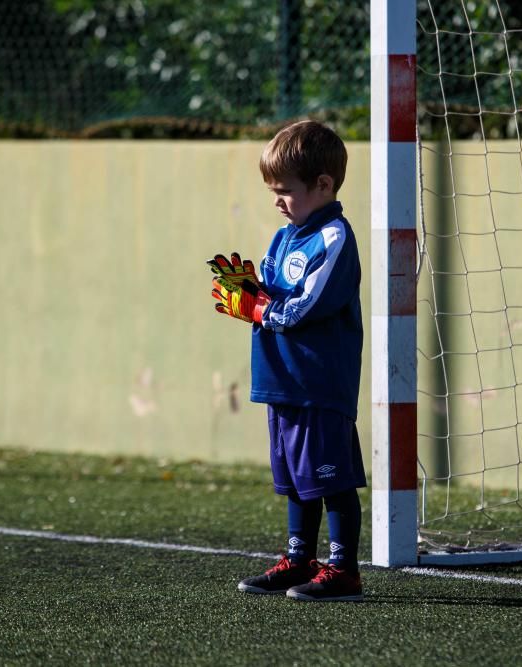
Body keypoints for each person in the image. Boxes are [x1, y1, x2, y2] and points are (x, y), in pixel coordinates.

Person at [207, 120, 365, 602]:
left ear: (323, 185)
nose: (277, 199)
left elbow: (301, 308)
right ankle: (300, 559)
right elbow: (276, 295)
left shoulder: (334, 238)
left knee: (329, 478)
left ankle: (343, 570)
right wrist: (249, 292)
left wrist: (256, 306)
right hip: (281, 379)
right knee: (296, 479)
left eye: (285, 191)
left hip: (318, 381)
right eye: (272, 190)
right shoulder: (283, 236)